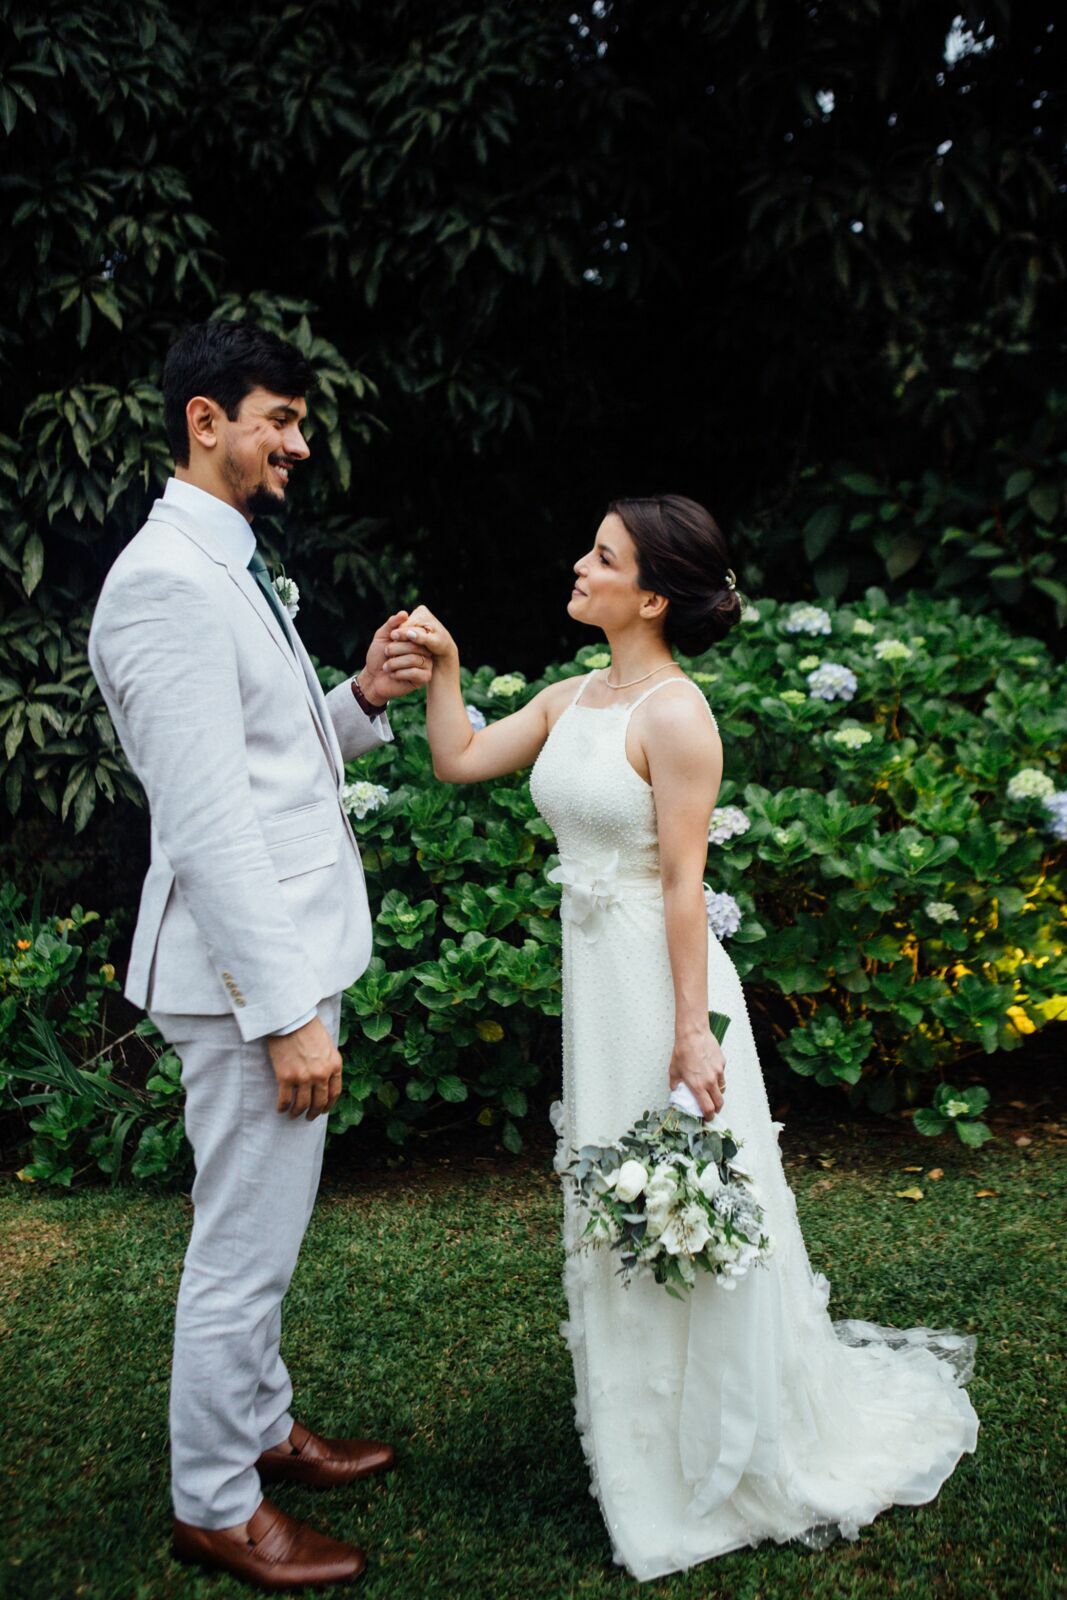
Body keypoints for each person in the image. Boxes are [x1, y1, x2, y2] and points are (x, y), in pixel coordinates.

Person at [385, 493, 980, 1580]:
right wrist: (447, 669)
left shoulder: (676, 715)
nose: (578, 564)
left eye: (600, 556)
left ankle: (714, 1444)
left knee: (687, 1196)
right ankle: (639, 1436)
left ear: (649, 594)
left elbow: (681, 882)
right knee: (615, 1197)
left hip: (661, 993)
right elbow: (460, 760)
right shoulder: (574, 695)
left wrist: (692, 1037)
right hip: (594, 985)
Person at [88, 321, 433, 1590]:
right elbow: (205, 820)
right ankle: (215, 1500)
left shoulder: (224, 561)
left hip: (279, 960)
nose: (297, 441)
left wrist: (364, 699)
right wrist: (286, 1010)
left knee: (266, 1234)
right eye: (278, 418)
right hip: (246, 985)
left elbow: (272, 767)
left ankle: (260, 1425)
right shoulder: (166, 582)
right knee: (241, 1246)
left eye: (296, 419)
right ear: (205, 422)